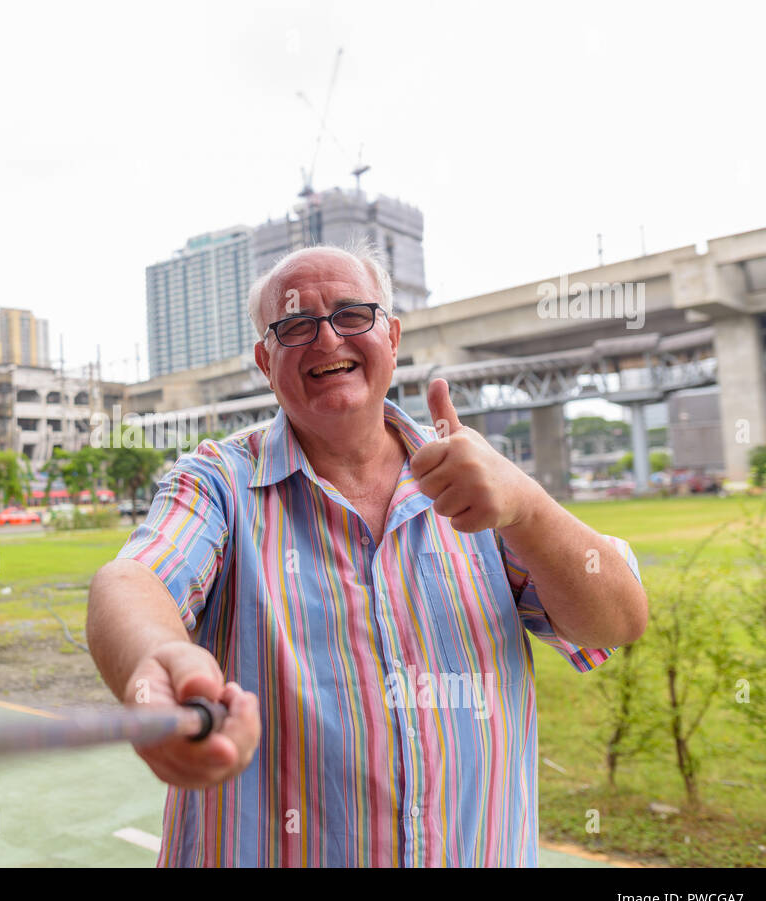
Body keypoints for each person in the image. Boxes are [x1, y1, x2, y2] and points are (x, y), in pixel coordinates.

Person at [86, 243, 647, 867]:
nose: (327, 340)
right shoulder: (218, 483)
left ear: (393, 335)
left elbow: (617, 621)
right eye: (295, 325)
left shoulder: (478, 484)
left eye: (353, 314)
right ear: (265, 361)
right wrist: (157, 663)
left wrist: (531, 509)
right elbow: (133, 580)